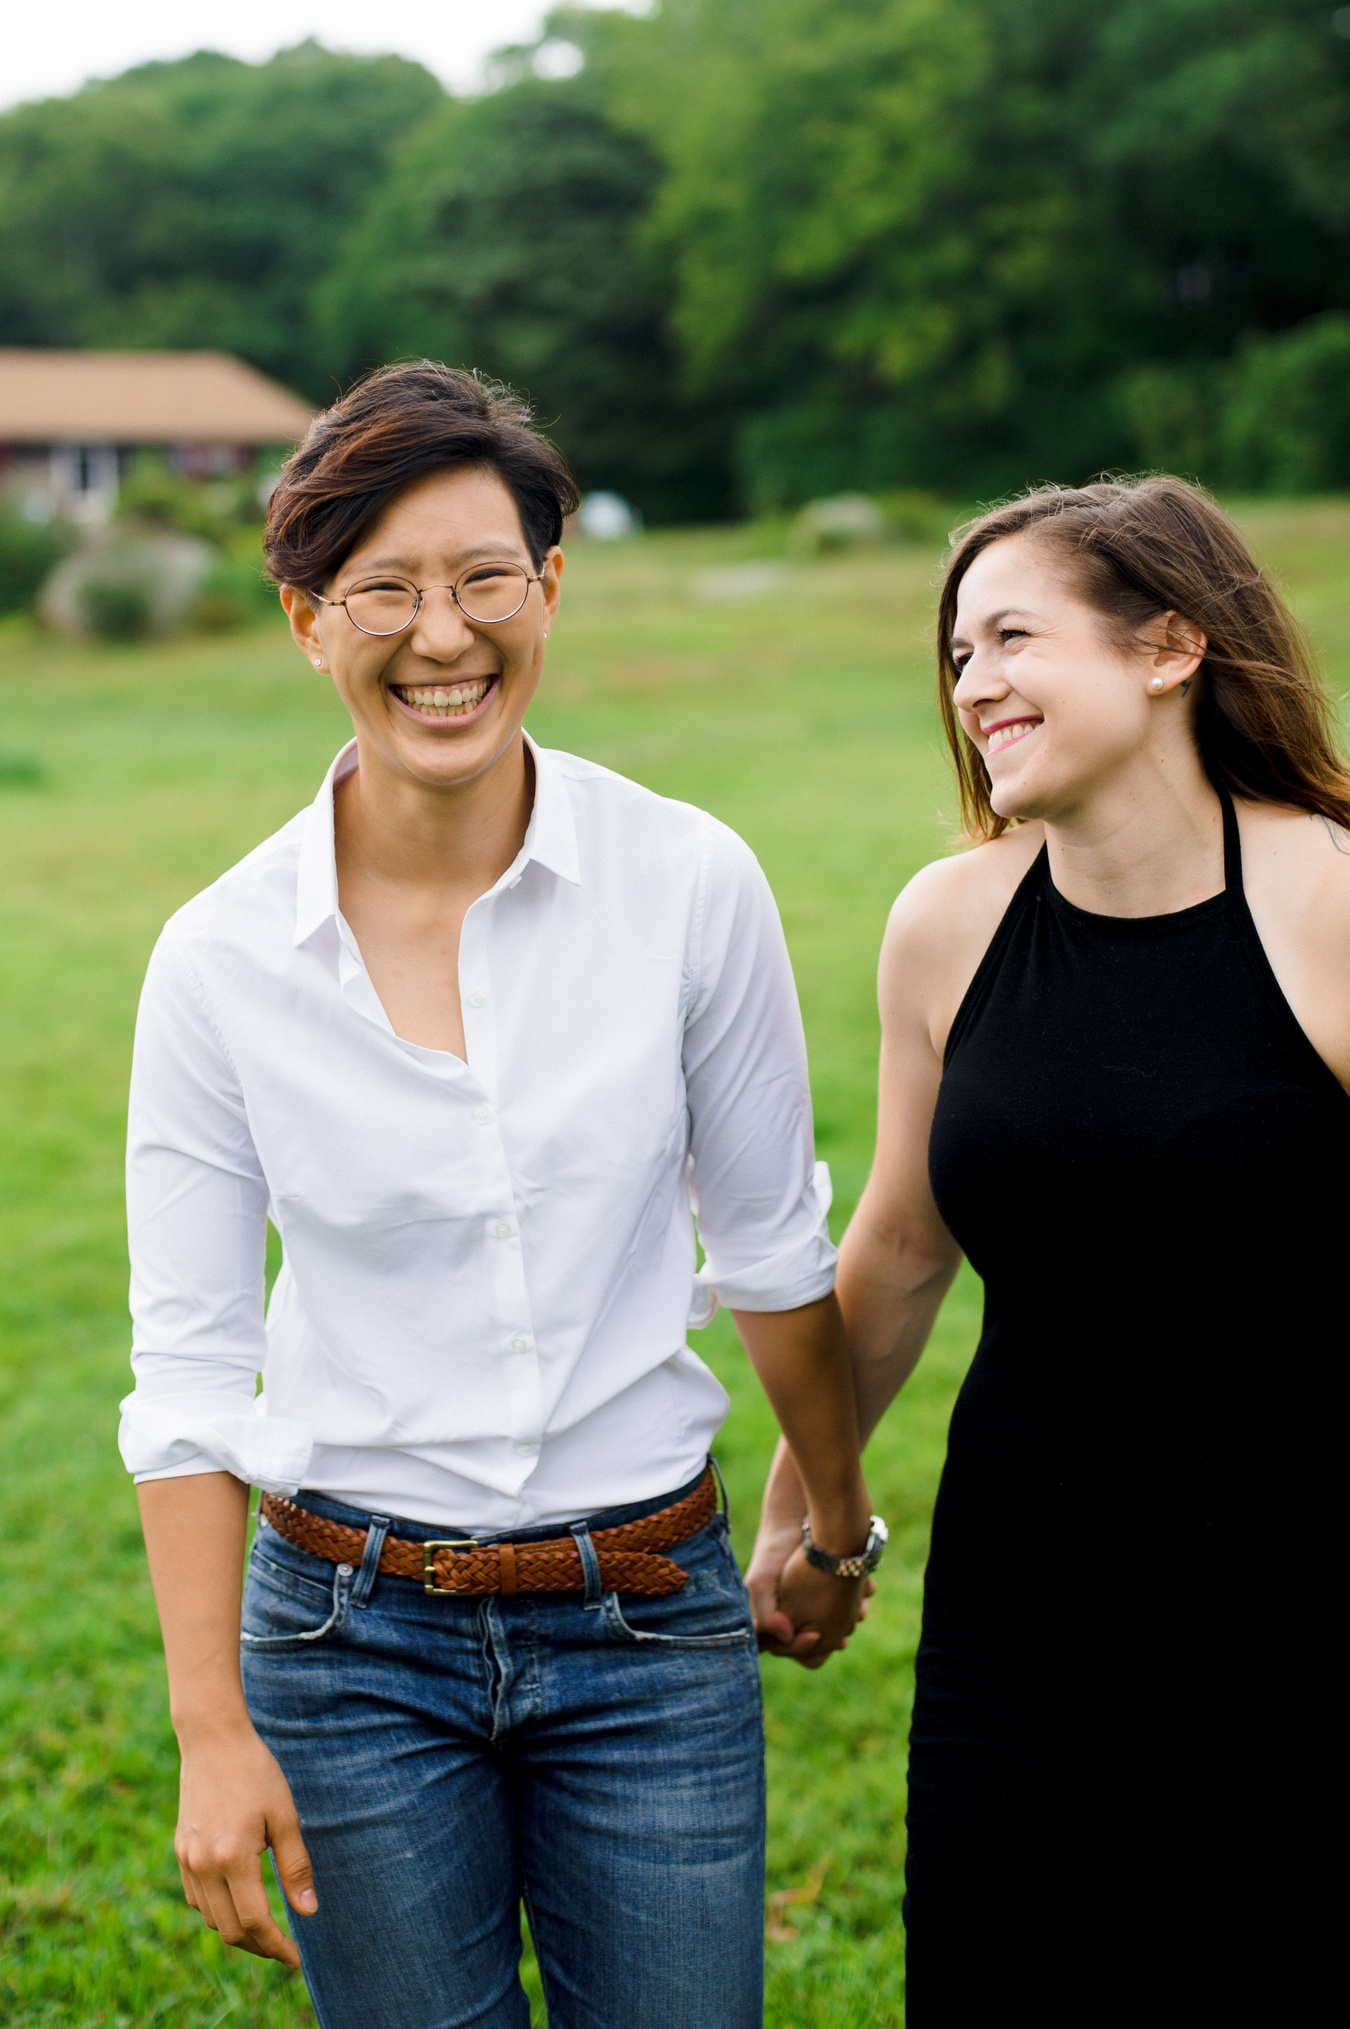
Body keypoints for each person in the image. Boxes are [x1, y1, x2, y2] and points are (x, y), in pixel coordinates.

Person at [119, 362, 883, 2029]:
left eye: (481, 578)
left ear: (549, 587)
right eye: (381, 589)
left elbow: (767, 1246)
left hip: (648, 1621)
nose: (441, 634)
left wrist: (831, 1526)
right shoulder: (217, 957)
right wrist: (209, 1724)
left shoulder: (689, 881)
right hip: (341, 1640)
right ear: (305, 619)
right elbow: (186, 1374)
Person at [747, 476, 1347, 2022]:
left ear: (1167, 648)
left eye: (1012, 637)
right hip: (1025, 1600)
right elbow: (892, 1243)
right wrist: (808, 1518)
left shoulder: (1326, 899)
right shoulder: (947, 924)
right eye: (956, 655)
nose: (972, 686)